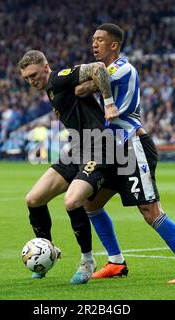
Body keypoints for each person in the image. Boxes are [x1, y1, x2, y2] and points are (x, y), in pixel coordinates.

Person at [76, 23, 175, 283]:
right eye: (93, 39)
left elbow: (81, 89)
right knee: (90, 203)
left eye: (100, 40)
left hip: (132, 146)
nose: (94, 44)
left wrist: (76, 81)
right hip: (113, 148)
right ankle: (116, 262)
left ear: (114, 45)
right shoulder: (104, 69)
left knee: (149, 210)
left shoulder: (122, 68)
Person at [18, 50, 118, 284]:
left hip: (100, 147)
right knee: (34, 199)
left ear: (45, 67)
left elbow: (99, 68)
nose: (32, 81)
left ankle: (87, 260)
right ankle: (47, 251)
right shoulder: (52, 91)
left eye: (34, 74)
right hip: (77, 149)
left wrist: (109, 103)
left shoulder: (59, 78)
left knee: (72, 201)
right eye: (27, 78)